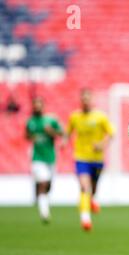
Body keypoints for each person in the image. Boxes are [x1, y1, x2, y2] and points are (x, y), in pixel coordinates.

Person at [65, 88, 114, 231]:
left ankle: (90, 200)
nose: (85, 101)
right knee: (84, 187)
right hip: (81, 158)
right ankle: (85, 219)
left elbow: (111, 134)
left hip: (97, 159)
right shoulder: (74, 117)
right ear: (81, 100)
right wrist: (63, 141)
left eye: (88, 98)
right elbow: (68, 133)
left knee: (93, 189)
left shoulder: (100, 117)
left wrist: (101, 144)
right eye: (83, 98)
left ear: (91, 100)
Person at [26, 97, 63, 223]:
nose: (37, 107)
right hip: (37, 158)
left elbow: (61, 134)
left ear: (43, 106)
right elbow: (26, 135)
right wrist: (31, 137)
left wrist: (51, 131)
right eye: (35, 105)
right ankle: (44, 213)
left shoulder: (50, 120)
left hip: (50, 158)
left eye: (39, 104)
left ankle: (40, 196)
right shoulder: (30, 122)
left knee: (48, 186)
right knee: (43, 183)